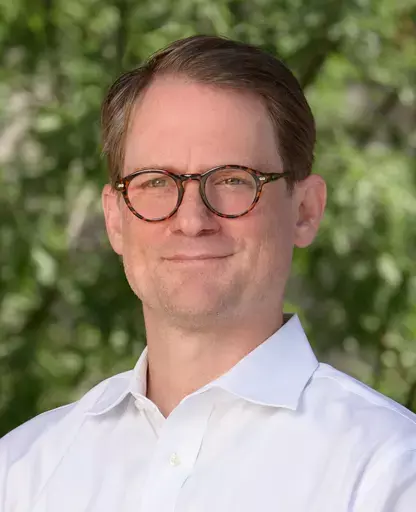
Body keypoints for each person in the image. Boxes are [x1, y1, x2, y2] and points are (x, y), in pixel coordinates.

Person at [1, 34, 415, 512]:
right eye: (156, 182)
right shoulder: (21, 472)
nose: (192, 220)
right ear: (115, 219)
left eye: (234, 180)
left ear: (305, 210)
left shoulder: (389, 471)